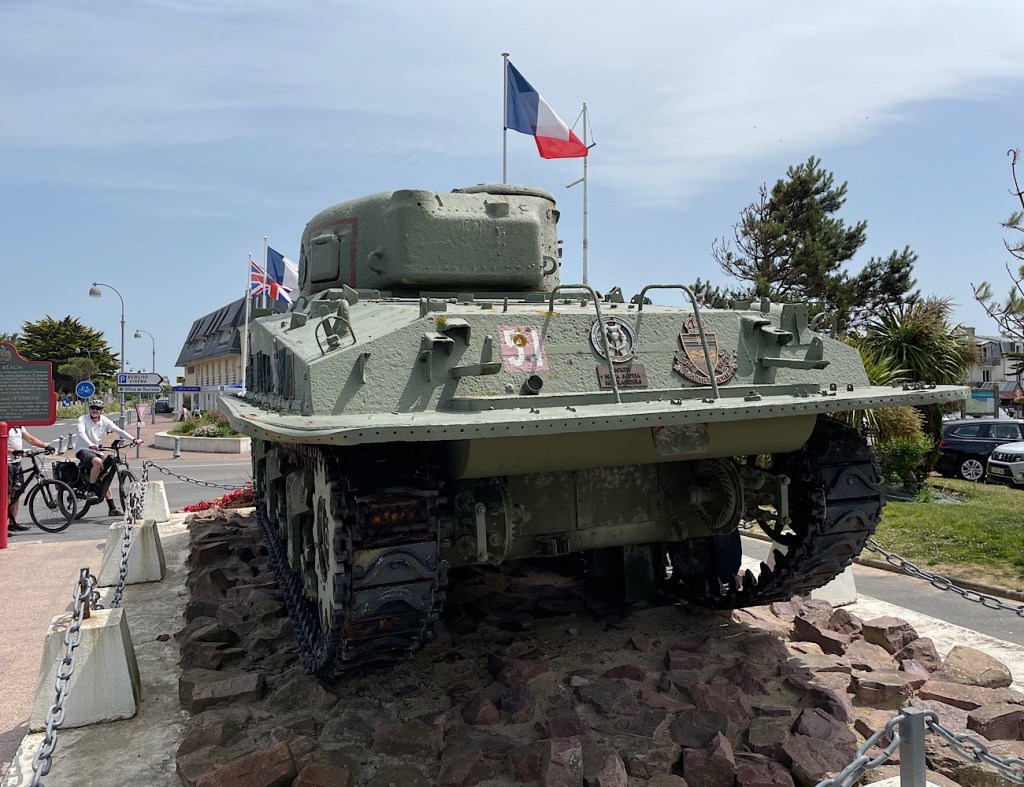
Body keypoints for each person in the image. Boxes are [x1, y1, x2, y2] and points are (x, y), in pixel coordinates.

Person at [73, 399, 140, 517]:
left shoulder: (104, 420)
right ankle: (91, 489)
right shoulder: (83, 419)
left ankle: (112, 508)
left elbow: (118, 430)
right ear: (90, 409)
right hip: (83, 449)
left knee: (105, 476)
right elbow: (81, 433)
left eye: (97, 408)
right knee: (98, 462)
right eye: (92, 408)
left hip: (97, 450)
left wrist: (134, 439)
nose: (95, 410)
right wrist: (90, 444)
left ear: (101, 411)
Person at [7, 426, 54, 534]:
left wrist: (46, 446)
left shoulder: (19, 427)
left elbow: (30, 439)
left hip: (16, 463)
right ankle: (2, 527)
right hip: (6, 463)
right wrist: (13, 451)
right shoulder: (5, 426)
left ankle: (13, 523)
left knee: (16, 493)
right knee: (6, 495)